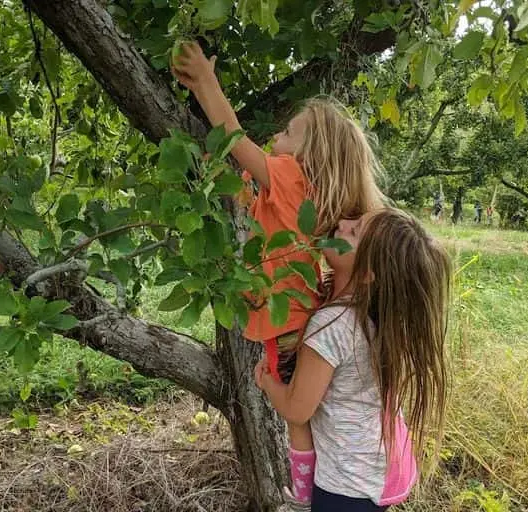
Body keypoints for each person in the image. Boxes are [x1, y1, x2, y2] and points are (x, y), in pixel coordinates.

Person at [172, 42, 385, 507]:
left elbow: (233, 136)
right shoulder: (301, 199)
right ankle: (310, 488)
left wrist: (206, 81)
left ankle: (306, 491)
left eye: (287, 134)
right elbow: (245, 193)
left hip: (284, 318)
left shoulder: (291, 177)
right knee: (307, 416)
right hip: (293, 314)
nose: (275, 141)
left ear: (310, 153)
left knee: (294, 410)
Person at [255, 208, 451, 511]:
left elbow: (297, 409)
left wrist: (268, 382)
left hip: (347, 489)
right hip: (386, 471)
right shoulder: (382, 317)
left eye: (354, 230)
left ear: (368, 272)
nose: (341, 224)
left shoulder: (332, 325)